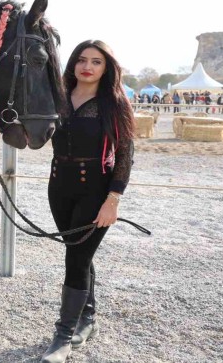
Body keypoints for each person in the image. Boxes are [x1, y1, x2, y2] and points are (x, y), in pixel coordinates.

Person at [41, 40, 135, 363]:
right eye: (82, 60)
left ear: (106, 68)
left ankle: (63, 336)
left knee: (77, 259)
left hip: (96, 190)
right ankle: (88, 317)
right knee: (79, 252)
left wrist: (113, 200)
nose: (87, 67)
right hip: (58, 188)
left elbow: (125, 155)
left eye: (96, 62)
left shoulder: (115, 103)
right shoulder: (57, 96)